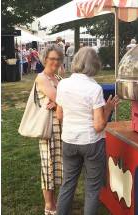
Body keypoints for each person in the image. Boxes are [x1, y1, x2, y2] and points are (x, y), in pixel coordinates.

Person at [56, 47, 119, 215]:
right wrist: (108, 109)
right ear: (95, 65)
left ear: (76, 61)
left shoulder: (63, 83)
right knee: (92, 188)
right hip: (91, 142)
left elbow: (59, 115)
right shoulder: (94, 88)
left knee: (68, 183)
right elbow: (98, 126)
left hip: (69, 140)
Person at [36, 44, 64, 215]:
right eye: (52, 58)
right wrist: (58, 102)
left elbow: (62, 100)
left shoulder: (59, 78)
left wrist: (58, 104)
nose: (55, 61)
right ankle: (49, 206)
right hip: (47, 129)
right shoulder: (42, 78)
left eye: (58, 58)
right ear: (45, 58)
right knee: (48, 165)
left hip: (61, 127)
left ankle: (57, 202)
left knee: (59, 164)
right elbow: (60, 97)